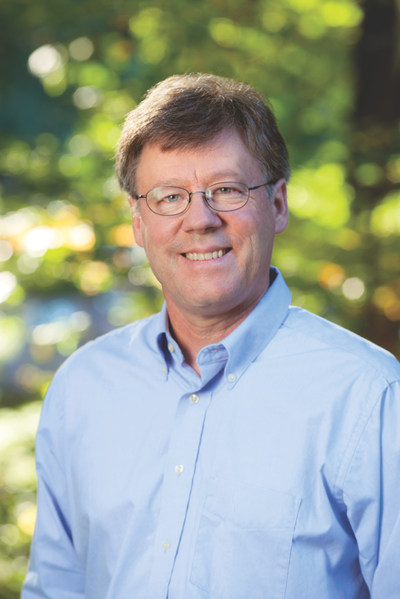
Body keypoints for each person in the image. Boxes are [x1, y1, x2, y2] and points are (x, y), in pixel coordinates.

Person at [22, 73, 400, 599]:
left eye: (226, 189)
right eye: (169, 196)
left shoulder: (370, 396)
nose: (199, 220)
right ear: (137, 221)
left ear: (278, 203)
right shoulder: (82, 389)